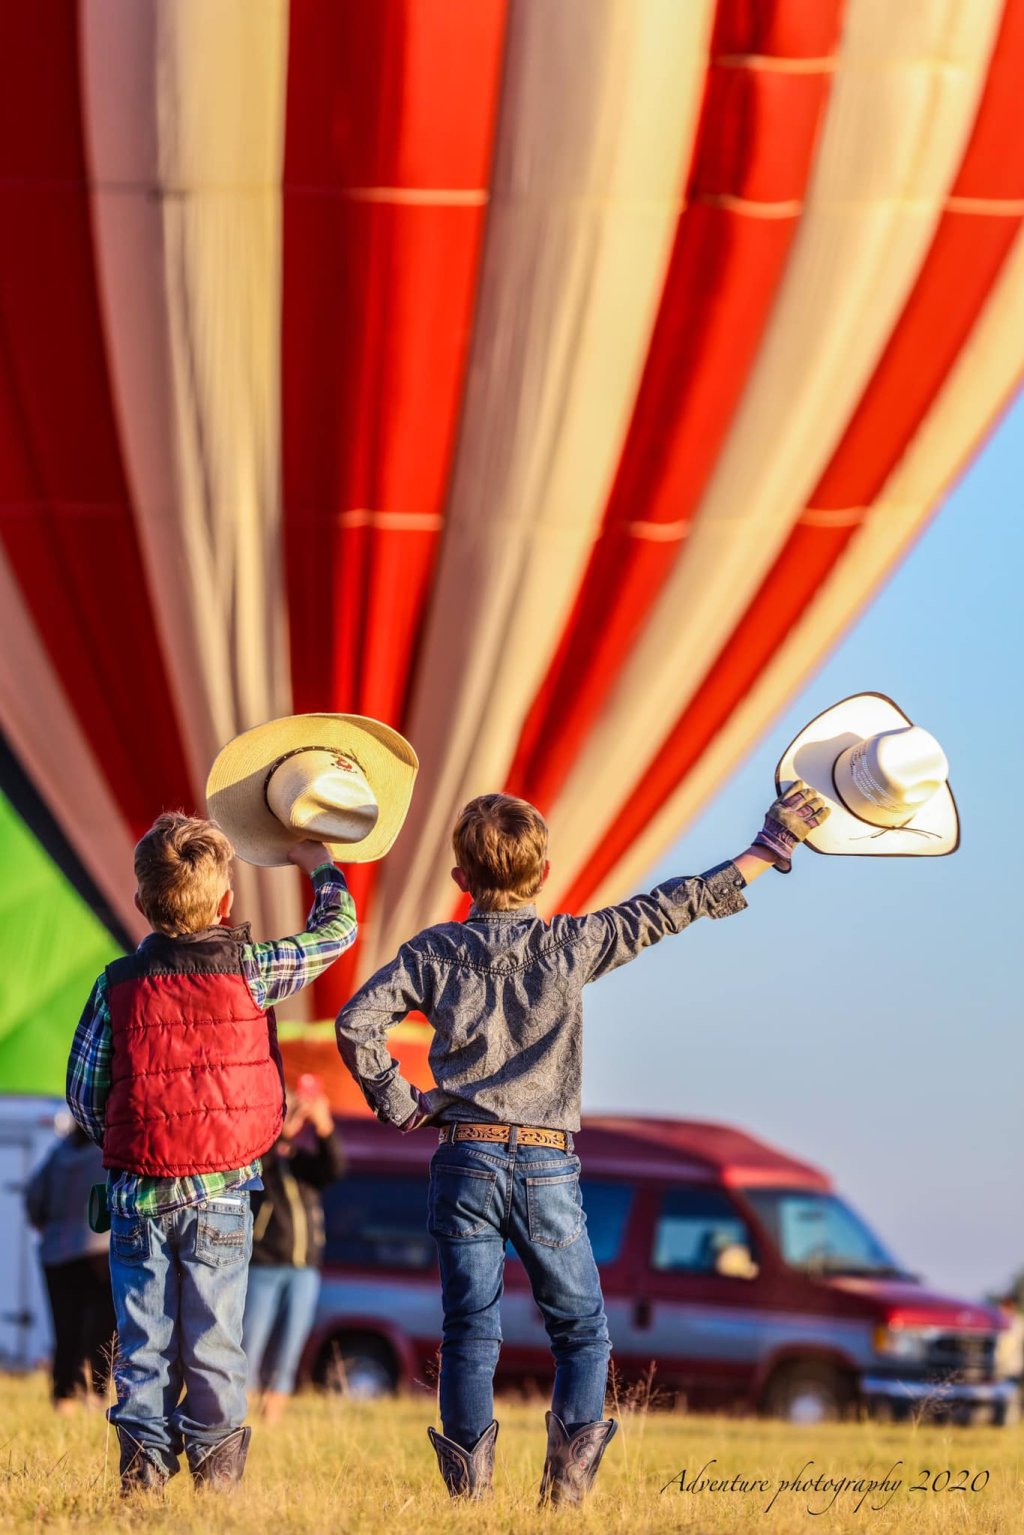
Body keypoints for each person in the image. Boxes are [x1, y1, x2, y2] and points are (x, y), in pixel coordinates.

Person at [335, 783, 828, 1504]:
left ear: (460, 881)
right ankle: (563, 1495)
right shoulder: (568, 945)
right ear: (542, 874)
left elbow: (355, 1023)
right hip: (544, 1161)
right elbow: (668, 908)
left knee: (470, 1330)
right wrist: (769, 847)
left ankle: (467, 1499)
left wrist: (399, 1102)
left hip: (464, 1155)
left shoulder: (433, 951)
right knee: (582, 1332)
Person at [66, 813, 355, 1494]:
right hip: (224, 1196)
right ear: (226, 902)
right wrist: (320, 863)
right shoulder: (251, 969)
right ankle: (217, 1485)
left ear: (141, 902)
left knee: (143, 1350)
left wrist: (132, 1135)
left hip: (137, 1196)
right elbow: (336, 932)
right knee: (216, 1346)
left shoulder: (116, 985)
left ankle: (142, 1481)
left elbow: (84, 1093)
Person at [243, 1081, 344, 1422]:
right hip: (264, 1265)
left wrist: (323, 1124)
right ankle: (238, 1417)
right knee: (250, 1344)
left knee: (289, 1347)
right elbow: (263, 1166)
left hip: (304, 1269)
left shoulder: (302, 1163)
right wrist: (284, 1132)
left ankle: (271, 1418)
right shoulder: (260, 1158)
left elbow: (335, 1169)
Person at [25, 1122, 116, 1412]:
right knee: (101, 1330)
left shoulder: (57, 1155)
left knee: (65, 1331)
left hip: (56, 1255)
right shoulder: (108, 1154)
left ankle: (63, 1398)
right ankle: (95, 1396)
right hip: (99, 1252)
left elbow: (34, 1200)